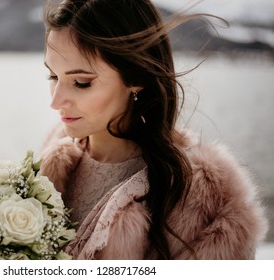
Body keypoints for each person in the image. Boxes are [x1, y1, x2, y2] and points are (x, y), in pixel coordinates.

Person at [38, 0, 268, 260]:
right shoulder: (53, 153)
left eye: (81, 83)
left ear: (136, 77)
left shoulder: (204, 200)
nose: (55, 102)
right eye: (53, 77)